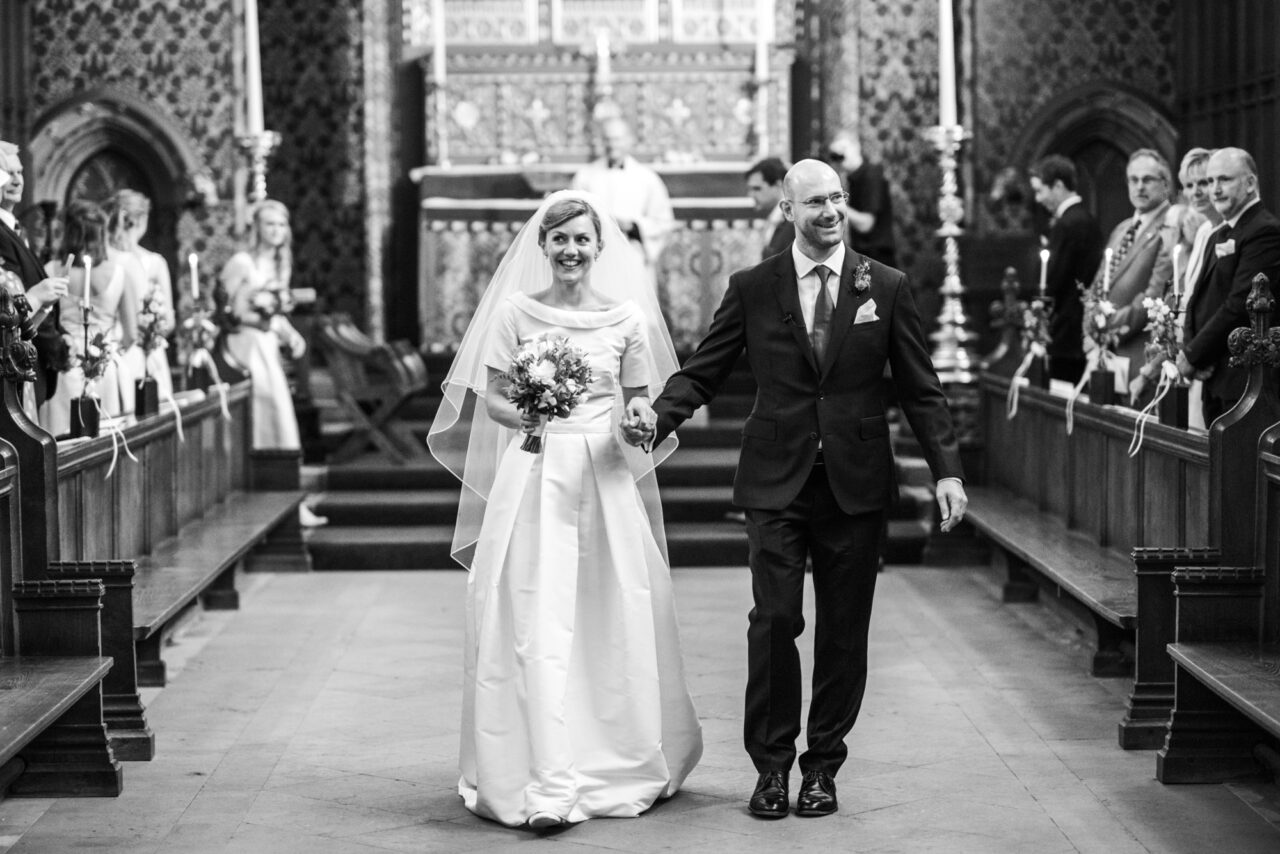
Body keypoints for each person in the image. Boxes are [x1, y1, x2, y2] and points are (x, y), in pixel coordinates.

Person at [630, 160, 966, 820]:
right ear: (787, 210)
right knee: (775, 620)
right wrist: (658, 415)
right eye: (814, 202)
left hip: (857, 480)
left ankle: (822, 767)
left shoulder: (885, 286)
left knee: (844, 632)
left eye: (836, 198)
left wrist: (947, 469)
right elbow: (706, 368)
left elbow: (922, 390)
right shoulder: (755, 286)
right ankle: (772, 767)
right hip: (777, 478)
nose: (830, 211)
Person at [427, 191, 702, 829]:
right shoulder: (515, 312)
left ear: (599, 248)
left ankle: (617, 756)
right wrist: (531, 411)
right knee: (533, 612)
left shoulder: (627, 319)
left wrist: (639, 421)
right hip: (534, 470)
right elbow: (492, 397)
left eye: (582, 239)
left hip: (603, 475)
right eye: (560, 240)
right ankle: (540, 773)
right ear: (543, 248)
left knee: (614, 606)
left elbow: (640, 401)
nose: (571, 250)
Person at [1179, 147, 1280, 424]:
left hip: (1242, 382)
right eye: (1211, 181)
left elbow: (1239, 305)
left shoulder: (1264, 231)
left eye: (1224, 180)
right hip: (1213, 376)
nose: (1215, 189)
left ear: (1250, 183)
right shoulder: (1220, 233)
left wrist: (1193, 355)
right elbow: (1197, 300)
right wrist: (1192, 349)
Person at [41, 200, 138, 435]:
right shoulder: (118, 272)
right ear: (101, 232)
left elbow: (42, 321)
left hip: (65, 365)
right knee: (108, 438)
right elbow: (132, 334)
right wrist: (109, 351)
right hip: (104, 369)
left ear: (68, 231)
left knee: (65, 439)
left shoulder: (51, 269)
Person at [1085, 148, 1173, 388]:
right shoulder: (1122, 229)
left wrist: (1105, 327)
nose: (1139, 187)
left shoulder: (1170, 227)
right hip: (1104, 354)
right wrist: (1090, 328)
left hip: (1137, 354)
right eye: (1133, 180)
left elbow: (1153, 297)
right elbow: (1095, 288)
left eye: (1147, 179)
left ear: (1166, 184)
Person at [0, 140, 69, 406]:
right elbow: (8, 303)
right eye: (8, 173)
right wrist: (38, 296)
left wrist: (46, 304)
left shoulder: (16, 230)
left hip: (29, 358)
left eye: (19, 173)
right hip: (15, 364)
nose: (16, 180)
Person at [570, 118, 674, 284]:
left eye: (617, 139)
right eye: (607, 139)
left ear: (629, 140)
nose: (612, 145)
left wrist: (634, 226)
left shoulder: (647, 178)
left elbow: (663, 221)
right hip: (596, 258)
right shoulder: (585, 176)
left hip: (632, 254)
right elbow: (572, 215)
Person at [1029, 154, 1105, 382]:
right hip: (1079, 332)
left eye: (1040, 190)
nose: (1038, 198)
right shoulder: (1085, 218)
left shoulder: (1068, 224)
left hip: (1066, 335)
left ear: (1058, 186)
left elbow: (1053, 280)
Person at [106, 189, 175, 400]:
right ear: (142, 219)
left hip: (108, 351)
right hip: (144, 350)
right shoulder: (154, 263)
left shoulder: (102, 259)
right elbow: (168, 322)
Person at [827, 132, 897, 267]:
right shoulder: (849, 179)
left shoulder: (871, 175)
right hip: (861, 256)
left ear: (856, 147)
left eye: (843, 149)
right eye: (836, 154)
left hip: (877, 257)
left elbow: (866, 224)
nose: (841, 157)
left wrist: (835, 204)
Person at [746, 156, 794, 259]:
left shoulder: (792, 221)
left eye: (757, 188)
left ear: (778, 184)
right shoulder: (777, 219)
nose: (751, 195)